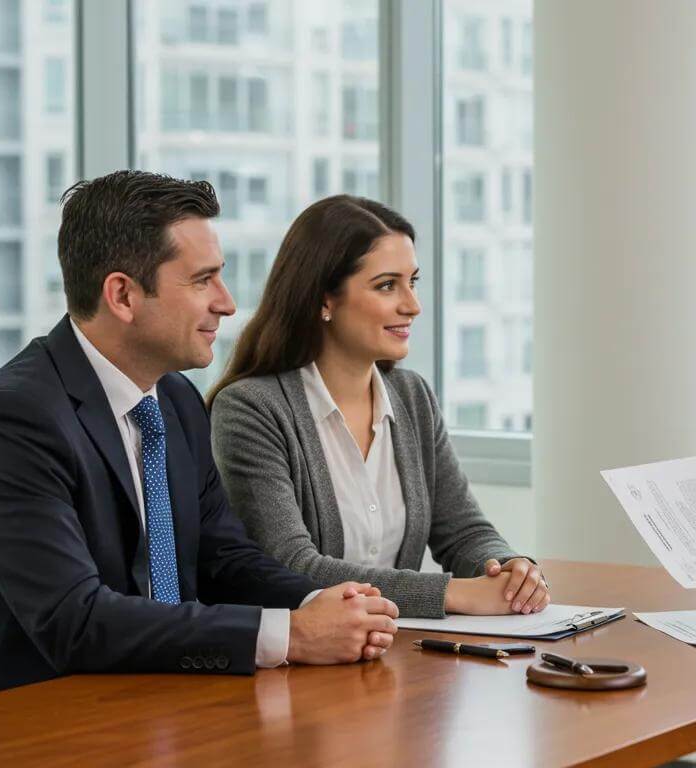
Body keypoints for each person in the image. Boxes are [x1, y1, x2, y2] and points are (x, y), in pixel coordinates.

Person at [0, 172, 399, 702]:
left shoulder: (174, 401)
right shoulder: (12, 421)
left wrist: (325, 603)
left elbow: (225, 558)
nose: (228, 302)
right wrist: (293, 635)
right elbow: (74, 622)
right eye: (202, 280)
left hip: (156, 698)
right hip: (18, 721)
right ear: (122, 295)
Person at [208, 195, 548, 619]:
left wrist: (510, 570)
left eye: (413, 281)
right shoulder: (251, 409)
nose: (412, 305)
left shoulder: (411, 396)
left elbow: (463, 531)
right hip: (301, 663)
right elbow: (291, 565)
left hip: (394, 655)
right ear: (324, 299)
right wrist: (450, 594)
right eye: (388, 285)